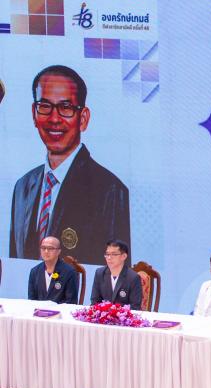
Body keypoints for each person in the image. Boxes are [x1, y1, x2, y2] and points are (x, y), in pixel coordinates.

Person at [10, 65, 130, 266]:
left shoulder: (109, 190)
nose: (54, 119)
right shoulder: (22, 187)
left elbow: (116, 272)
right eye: (45, 106)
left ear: (83, 118)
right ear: (34, 114)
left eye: (66, 108)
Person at [90, 239, 143, 309]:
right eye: (107, 254)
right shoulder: (99, 273)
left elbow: (135, 307)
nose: (109, 258)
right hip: (103, 315)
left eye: (114, 254)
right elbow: (95, 302)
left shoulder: (133, 278)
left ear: (124, 256)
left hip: (124, 315)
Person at [27, 235, 79, 303]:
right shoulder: (34, 271)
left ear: (59, 251)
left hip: (60, 309)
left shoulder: (69, 272)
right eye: (43, 248)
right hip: (38, 309)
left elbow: (71, 301)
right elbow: (31, 300)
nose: (46, 251)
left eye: (50, 248)